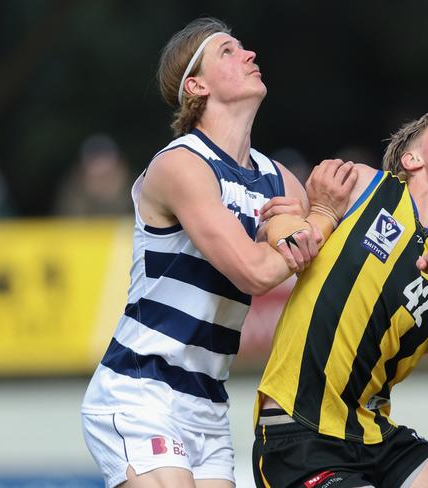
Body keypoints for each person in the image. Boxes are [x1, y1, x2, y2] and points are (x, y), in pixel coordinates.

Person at [80, 17, 356, 488]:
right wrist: (320, 218)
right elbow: (253, 270)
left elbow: (326, 261)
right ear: (197, 85)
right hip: (142, 390)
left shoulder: (277, 179)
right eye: (228, 51)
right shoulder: (181, 164)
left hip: (208, 404)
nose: (249, 55)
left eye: (245, 48)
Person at [254, 110, 428, 487]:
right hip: (300, 431)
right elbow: (273, 220)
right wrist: (286, 225)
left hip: (374, 435)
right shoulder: (366, 186)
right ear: (412, 160)